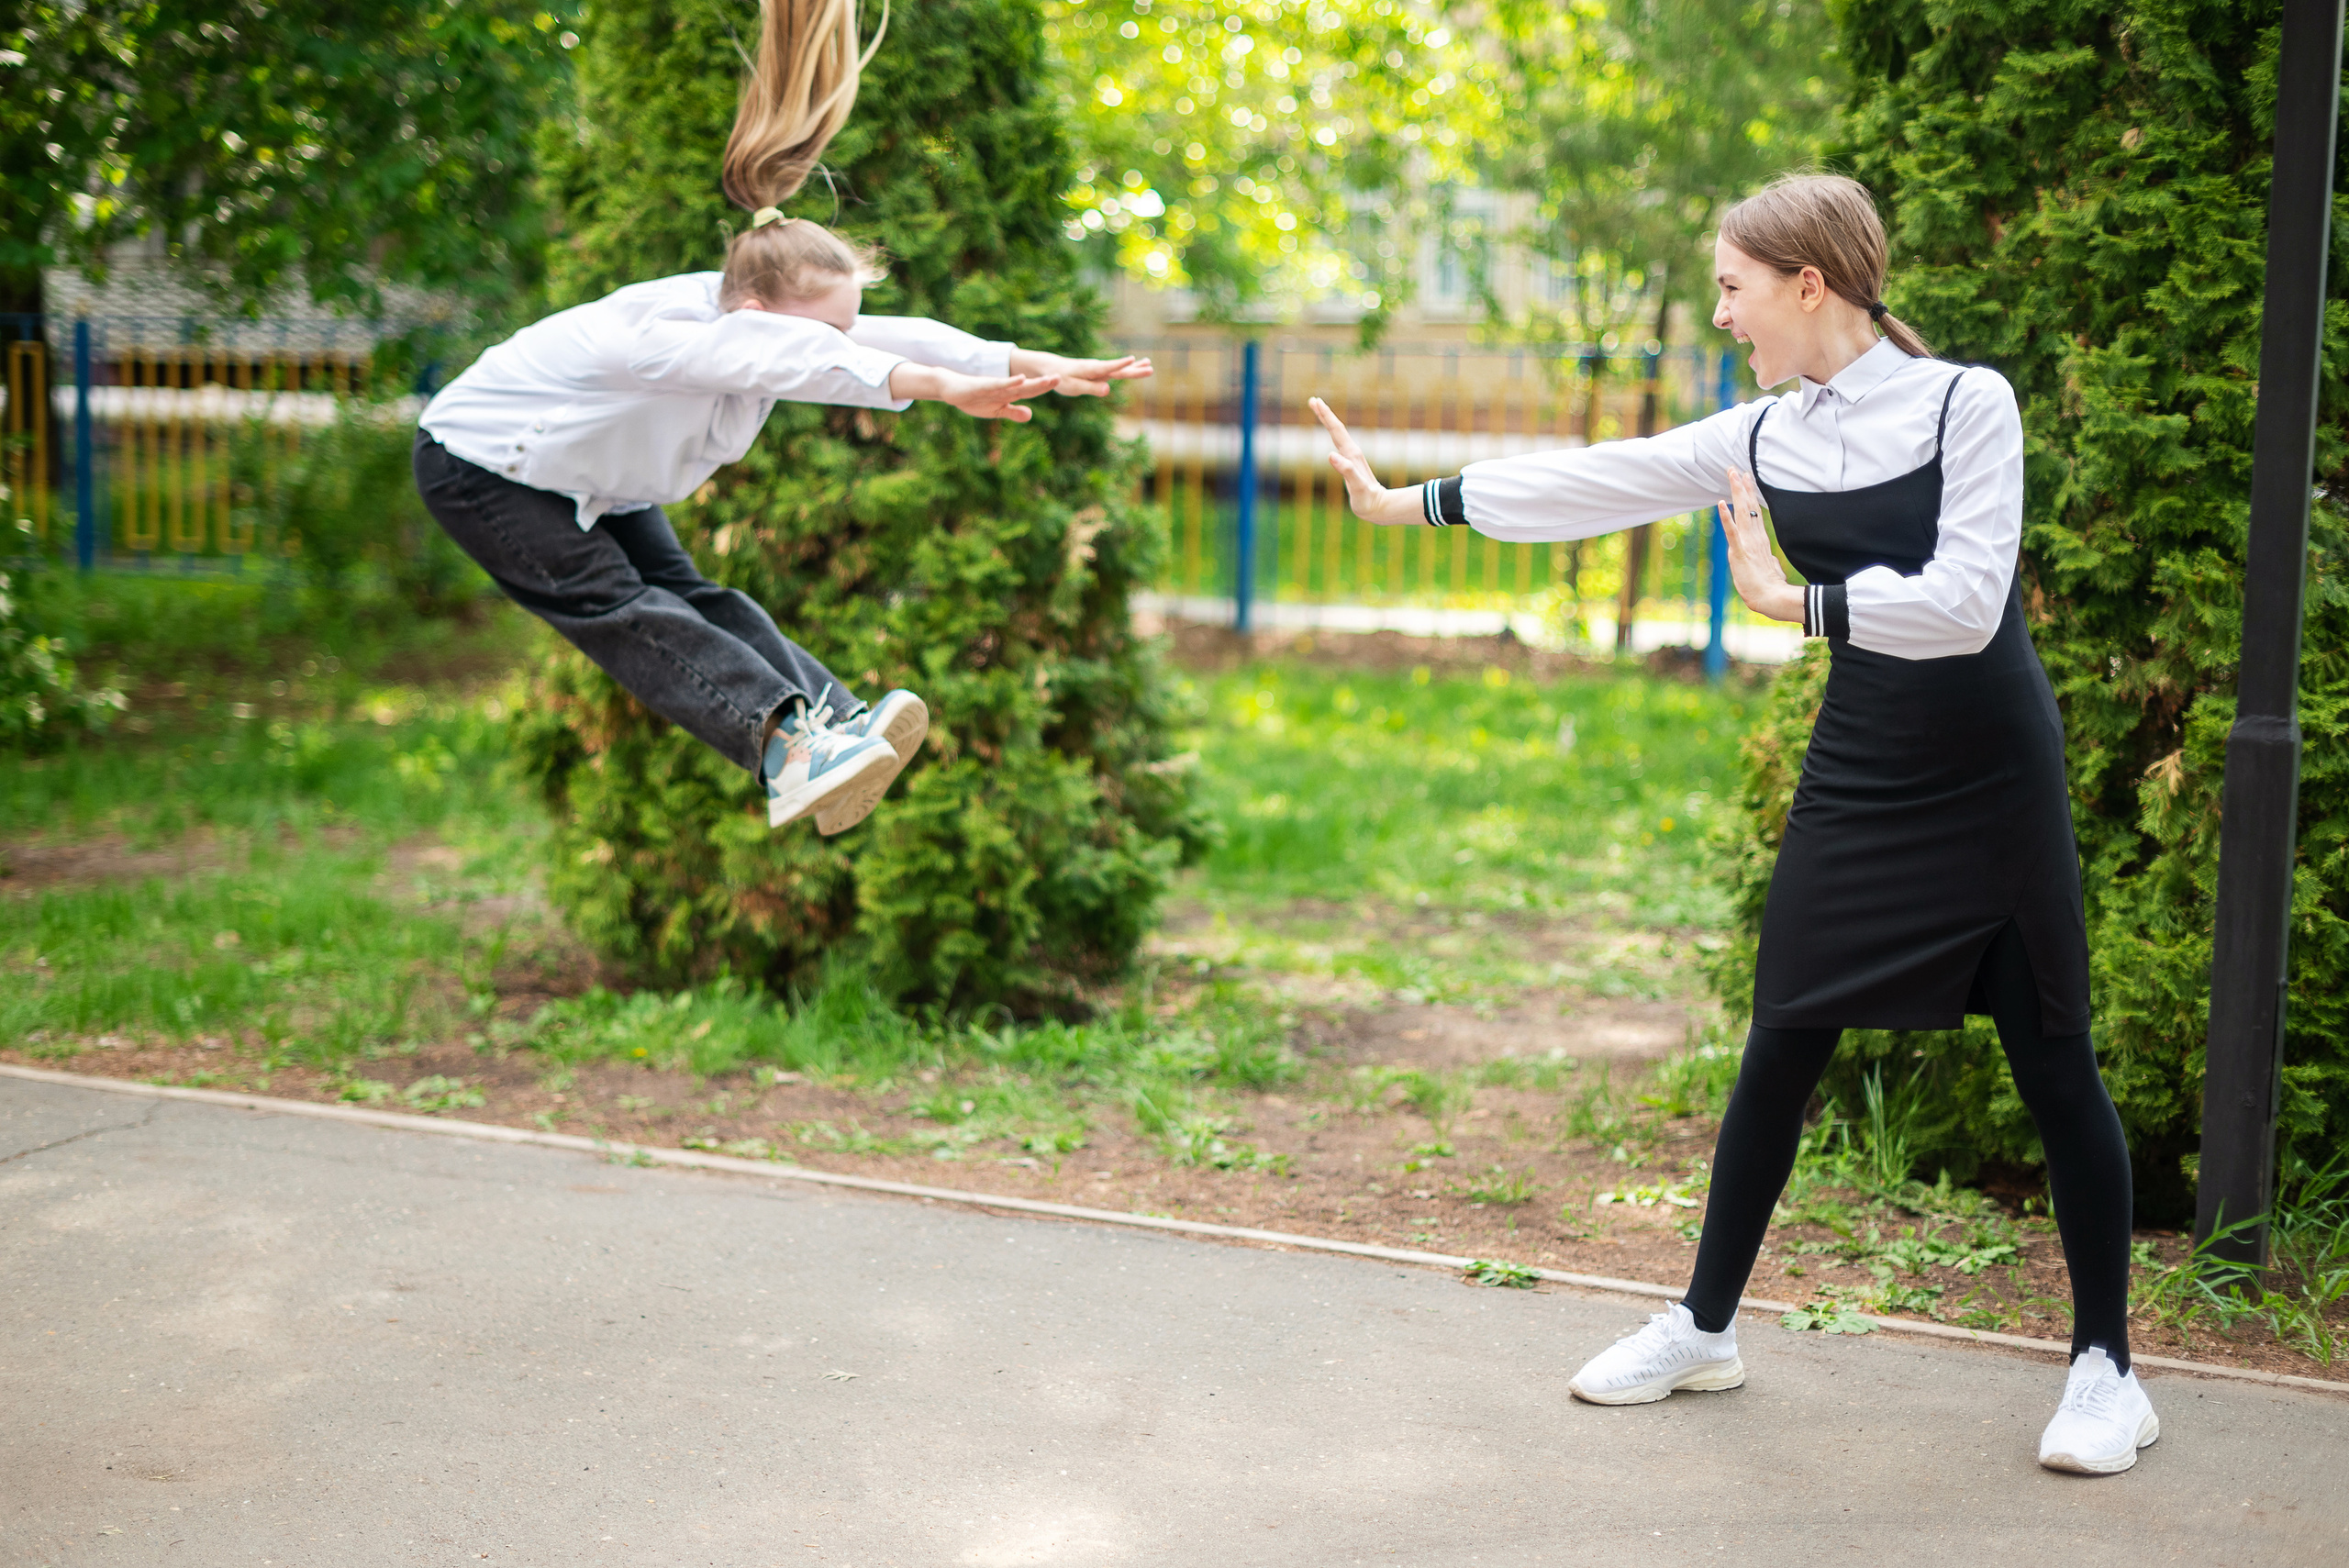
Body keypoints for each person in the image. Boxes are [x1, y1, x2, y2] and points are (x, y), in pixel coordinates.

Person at [1308, 172, 2154, 1477]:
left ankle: (2108, 1369)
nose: (1720, 314)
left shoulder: (1965, 403)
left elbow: (1966, 603)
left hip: (1991, 771)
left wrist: (1790, 603)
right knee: (1783, 1036)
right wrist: (1403, 503)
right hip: (1863, 764)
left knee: (2051, 1057)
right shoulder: (1765, 434)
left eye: (1731, 287)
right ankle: (1704, 1327)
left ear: (1809, 284)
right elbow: (1595, 481)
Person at [412, 0, 1149, 835]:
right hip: (481, 466)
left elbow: (884, 337)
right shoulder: (667, 338)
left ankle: (834, 724)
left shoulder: (751, 308)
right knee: (618, 606)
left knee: (692, 592)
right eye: (823, 331)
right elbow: (815, 363)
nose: (838, 344)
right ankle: (789, 751)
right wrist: (944, 388)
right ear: (759, 313)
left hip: (582, 473)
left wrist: (1029, 362)